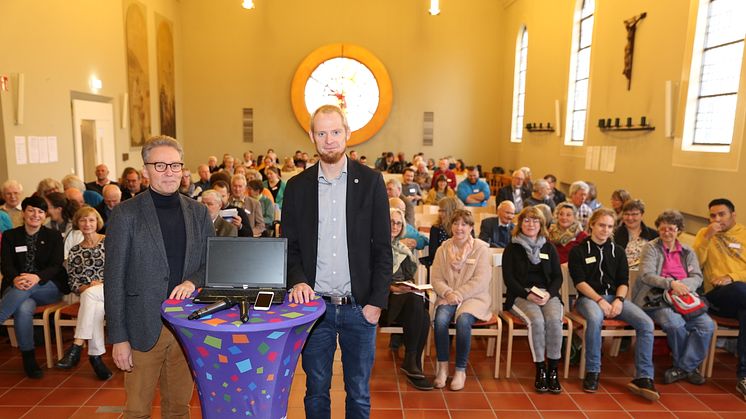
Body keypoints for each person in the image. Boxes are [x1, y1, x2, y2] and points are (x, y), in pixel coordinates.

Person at [283, 104, 391, 418]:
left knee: (358, 393)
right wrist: (299, 280)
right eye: (321, 132)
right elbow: (290, 248)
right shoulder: (297, 187)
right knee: (316, 390)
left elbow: (384, 248)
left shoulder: (370, 182)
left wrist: (377, 302)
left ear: (347, 134)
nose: (329, 139)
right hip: (316, 309)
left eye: (335, 131)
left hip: (360, 306)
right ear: (311, 136)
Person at [104, 135, 215, 417]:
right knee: (138, 411)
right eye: (160, 165)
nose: (169, 172)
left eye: (175, 165)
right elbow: (114, 278)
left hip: (185, 326)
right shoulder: (126, 214)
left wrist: (192, 282)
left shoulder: (199, 212)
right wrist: (118, 338)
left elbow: (212, 263)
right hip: (141, 326)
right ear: (145, 170)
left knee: (179, 408)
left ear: (183, 169)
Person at [569, 208, 658, 400]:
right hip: (589, 299)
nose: (605, 230)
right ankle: (593, 371)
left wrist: (618, 300)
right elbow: (580, 282)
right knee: (595, 318)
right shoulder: (578, 251)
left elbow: (623, 281)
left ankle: (644, 376)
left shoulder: (617, 251)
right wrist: (600, 300)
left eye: (609, 226)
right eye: (601, 225)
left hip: (615, 298)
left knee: (646, 323)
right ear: (591, 224)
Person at [633, 210, 713, 385]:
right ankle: (689, 369)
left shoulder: (687, 251)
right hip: (656, 298)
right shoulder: (651, 248)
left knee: (707, 325)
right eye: (662, 229)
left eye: (671, 229)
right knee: (674, 324)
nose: (666, 233)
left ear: (679, 230)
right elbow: (646, 275)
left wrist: (683, 287)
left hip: (684, 298)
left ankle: (683, 368)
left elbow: (697, 277)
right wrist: (671, 284)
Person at [0, 196, 67, 378]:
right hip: (17, 286)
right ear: (23, 213)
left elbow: (56, 265)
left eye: (40, 211)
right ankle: (29, 359)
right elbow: (6, 265)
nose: (35, 215)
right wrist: (15, 278)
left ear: (45, 216)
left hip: (48, 286)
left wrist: (36, 277)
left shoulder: (53, 236)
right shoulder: (10, 236)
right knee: (23, 307)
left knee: (26, 289)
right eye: (31, 210)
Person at [502, 207, 564, 393]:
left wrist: (548, 294)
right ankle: (540, 370)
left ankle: (553, 370)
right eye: (527, 220)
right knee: (537, 321)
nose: (531, 224)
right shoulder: (512, 248)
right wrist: (528, 294)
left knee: (554, 321)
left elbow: (558, 277)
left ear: (541, 225)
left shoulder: (548, 247)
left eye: (535, 221)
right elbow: (509, 279)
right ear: (520, 224)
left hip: (547, 294)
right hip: (522, 295)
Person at [431, 209, 492, 391]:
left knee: (463, 320)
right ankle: (442, 368)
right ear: (451, 227)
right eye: (456, 224)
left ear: (471, 227)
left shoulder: (480, 248)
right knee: (440, 320)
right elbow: (436, 278)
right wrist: (449, 293)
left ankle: (460, 370)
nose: (459, 228)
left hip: (474, 298)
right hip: (447, 296)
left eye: (464, 224)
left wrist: (458, 295)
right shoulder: (443, 249)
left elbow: (481, 280)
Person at [693, 198, 746, 398]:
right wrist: (707, 237)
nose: (717, 219)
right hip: (716, 296)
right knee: (740, 290)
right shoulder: (704, 234)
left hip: (741, 294)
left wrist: (731, 277)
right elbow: (695, 264)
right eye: (713, 215)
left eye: (721, 214)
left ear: (733, 215)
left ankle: (743, 377)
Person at [55, 206, 113, 380]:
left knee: (90, 297)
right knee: (93, 304)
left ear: (98, 222)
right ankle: (95, 357)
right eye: (83, 220)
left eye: (91, 220)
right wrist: (86, 289)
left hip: (113, 291)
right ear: (77, 223)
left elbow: (121, 271)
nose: (87, 224)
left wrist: (101, 283)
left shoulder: (110, 242)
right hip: (92, 297)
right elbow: (73, 281)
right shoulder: (74, 251)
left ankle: (77, 346)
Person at [382, 208, 433, 391]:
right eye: (391, 221)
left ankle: (412, 362)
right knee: (415, 302)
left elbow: (408, 275)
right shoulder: (375, 245)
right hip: (382, 302)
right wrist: (392, 287)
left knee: (424, 314)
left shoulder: (400, 247)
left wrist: (407, 286)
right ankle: (412, 363)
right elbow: (370, 278)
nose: (395, 226)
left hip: (403, 299)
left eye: (398, 223)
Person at [614, 199, 658, 267]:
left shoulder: (654, 235)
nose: (630, 218)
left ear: (642, 214)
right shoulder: (614, 234)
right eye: (626, 214)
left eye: (634, 214)